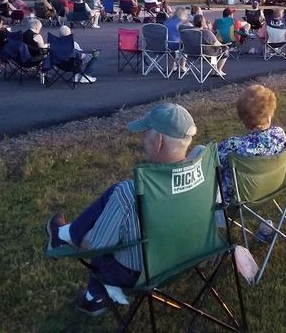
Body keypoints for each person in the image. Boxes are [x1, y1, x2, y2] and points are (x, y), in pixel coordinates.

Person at [45, 106, 198, 316]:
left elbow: (96, 246)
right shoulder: (202, 178)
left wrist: (81, 239)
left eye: (145, 134)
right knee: (114, 198)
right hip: (183, 259)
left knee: (105, 245)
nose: (142, 140)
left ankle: (89, 289)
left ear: (159, 141)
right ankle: (66, 236)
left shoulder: (130, 192)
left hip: (138, 273)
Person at [217, 85, 286, 202]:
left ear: (243, 118)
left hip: (237, 198)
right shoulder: (279, 135)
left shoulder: (232, 146)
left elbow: (210, 164)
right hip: (272, 186)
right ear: (269, 116)